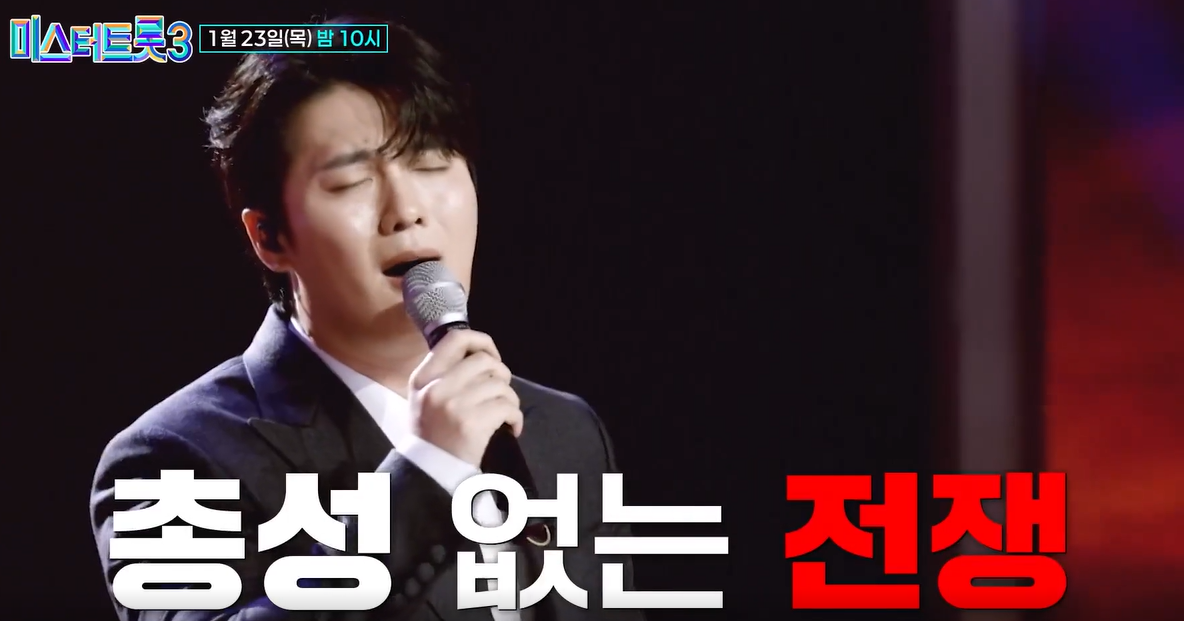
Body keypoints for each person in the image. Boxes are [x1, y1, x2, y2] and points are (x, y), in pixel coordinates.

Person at [90, 15, 643, 621]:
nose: (407, 210)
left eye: (431, 164)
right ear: (269, 236)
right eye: (352, 181)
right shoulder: (174, 457)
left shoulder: (564, 430)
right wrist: (427, 469)